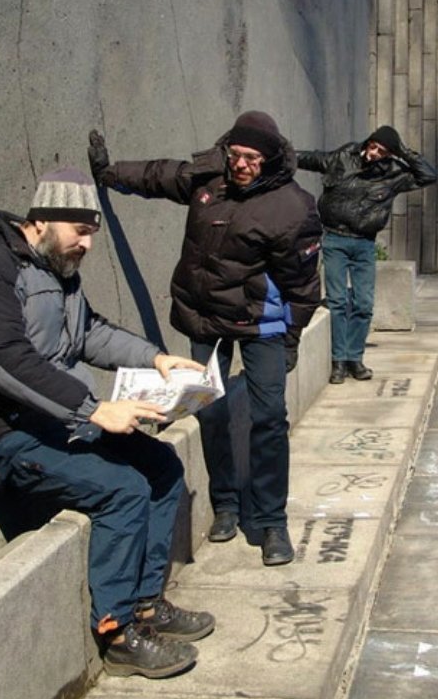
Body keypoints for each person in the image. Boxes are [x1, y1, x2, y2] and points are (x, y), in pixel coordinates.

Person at [0, 167, 215, 680]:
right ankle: (117, 634)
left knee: (162, 465)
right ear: (42, 220)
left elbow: (88, 333)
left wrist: (155, 359)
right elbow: (7, 363)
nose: (87, 244)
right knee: (124, 490)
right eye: (81, 231)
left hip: (56, 422)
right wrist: (93, 409)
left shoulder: (57, 267)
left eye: (91, 233)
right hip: (4, 438)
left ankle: (146, 605)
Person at [88, 111, 322, 566]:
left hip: (262, 324)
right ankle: (226, 504)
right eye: (236, 154)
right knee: (210, 413)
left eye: (252, 158)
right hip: (207, 320)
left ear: (270, 158)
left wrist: (292, 338)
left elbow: (303, 284)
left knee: (269, 419)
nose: (241, 165)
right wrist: (109, 173)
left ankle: (271, 522)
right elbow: (160, 176)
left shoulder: (292, 207)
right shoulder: (210, 178)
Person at [296, 126, 437, 385]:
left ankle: (354, 358)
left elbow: (428, 175)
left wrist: (403, 152)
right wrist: (277, 155)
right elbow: (310, 158)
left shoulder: (393, 173)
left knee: (363, 304)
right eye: (373, 146)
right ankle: (338, 361)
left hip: (364, 243)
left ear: (390, 154)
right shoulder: (344, 157)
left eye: (382, 151)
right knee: (338, 302)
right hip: (335, 239)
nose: (374, 153)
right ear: (367, 143)